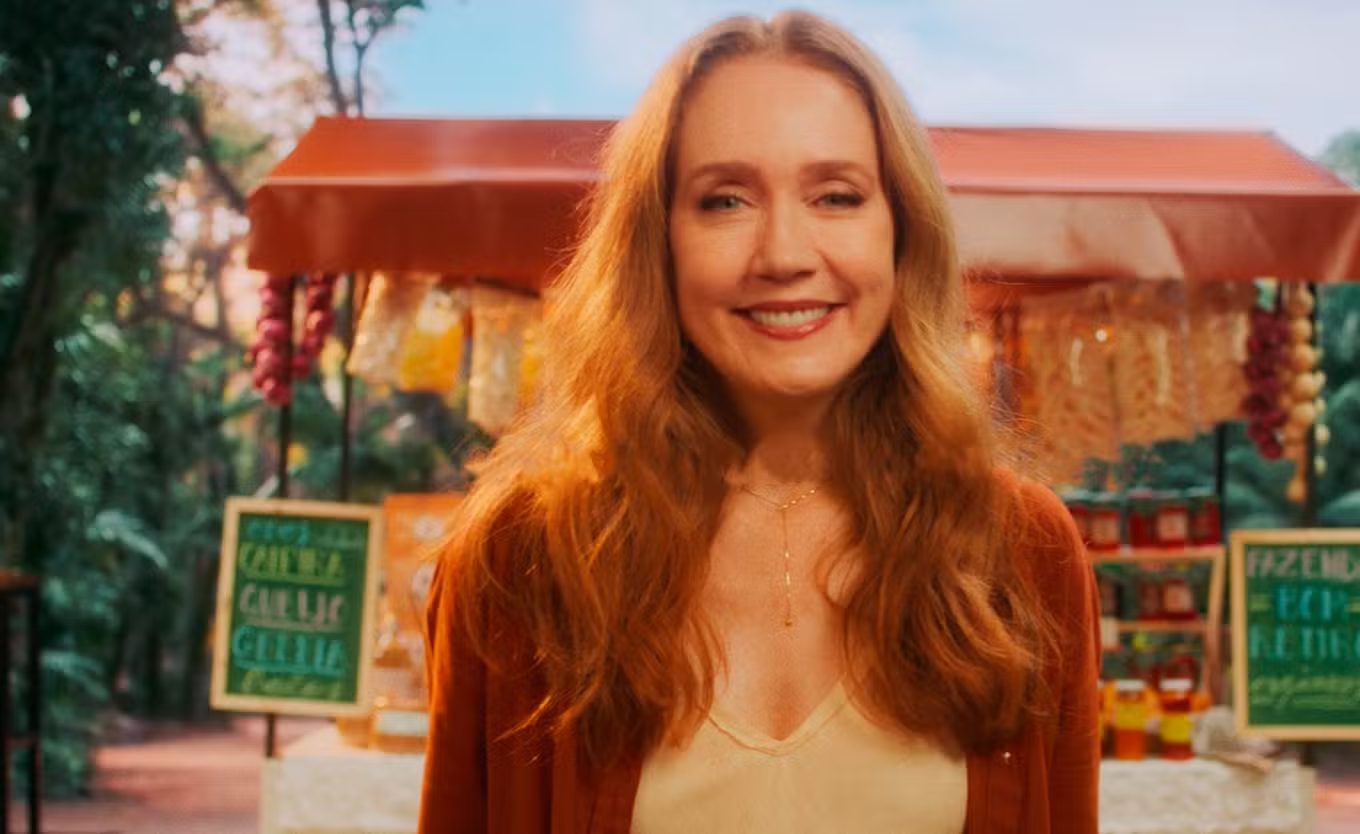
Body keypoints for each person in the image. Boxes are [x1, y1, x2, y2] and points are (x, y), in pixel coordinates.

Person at [419, 10, 1099, 834]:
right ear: (658, 242)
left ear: (901, 232)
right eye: (726, 200)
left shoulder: (1024, 553)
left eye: (837, 196)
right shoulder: (519, 558)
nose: (784, 254)